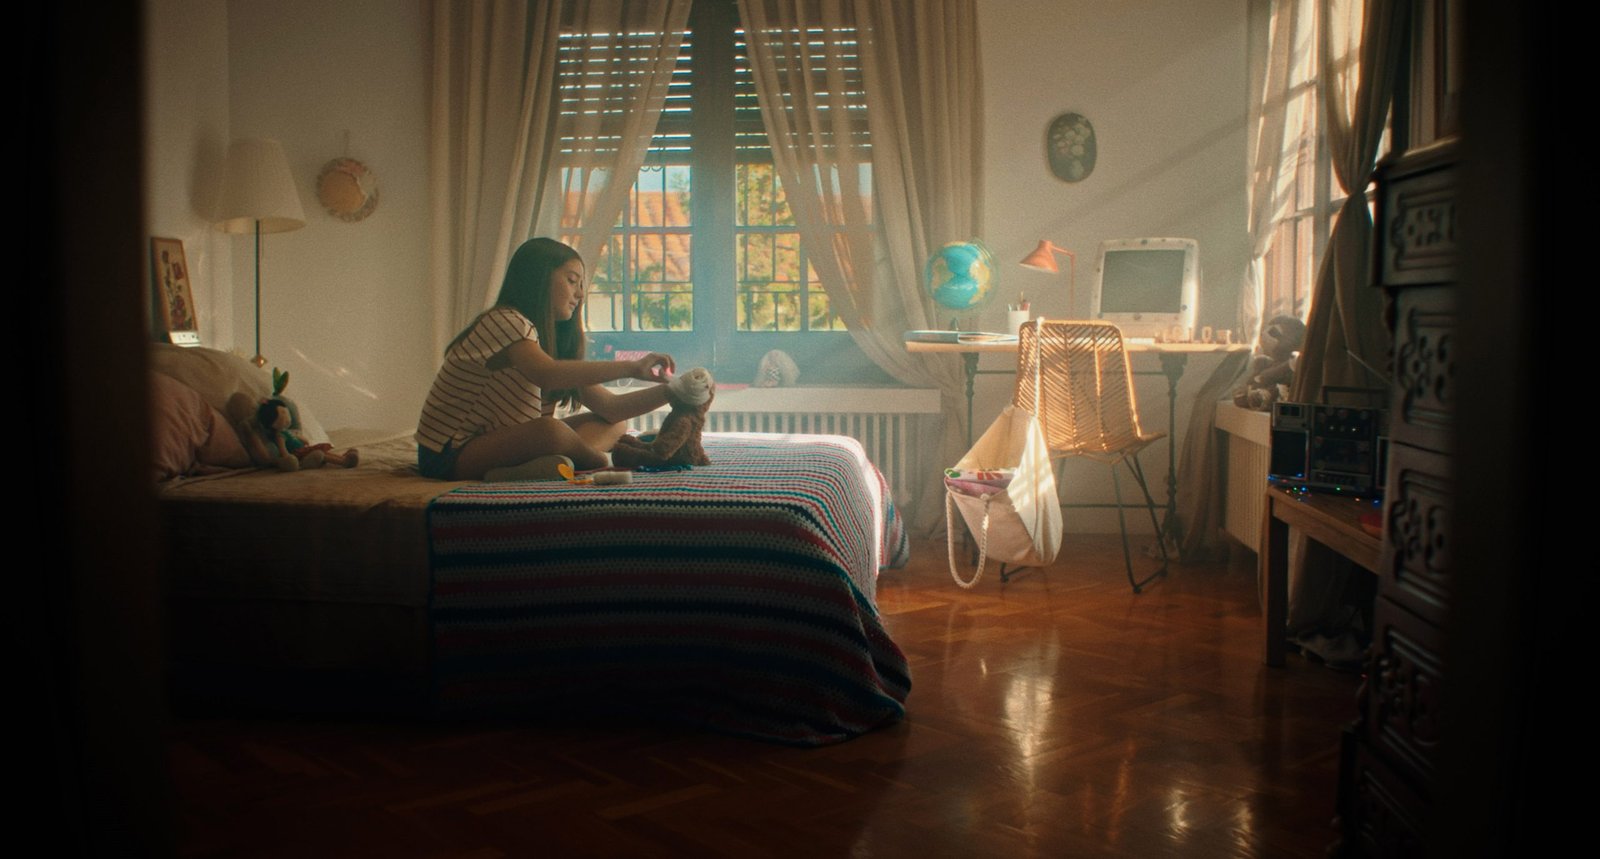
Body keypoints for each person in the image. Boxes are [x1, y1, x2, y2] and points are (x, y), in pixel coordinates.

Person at [415, 237, 683, 481]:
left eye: (581, 285)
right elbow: (546, 374)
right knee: (550, 431)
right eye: (572, 280)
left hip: (506, 446)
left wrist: (678, 390)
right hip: (450, 456)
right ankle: (600, 461)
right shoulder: (504, 320)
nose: (580, 294)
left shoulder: (548, 341)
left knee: (613, 424)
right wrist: (631, 367)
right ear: (538, 279)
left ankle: (531, 470)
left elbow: (611, 407)